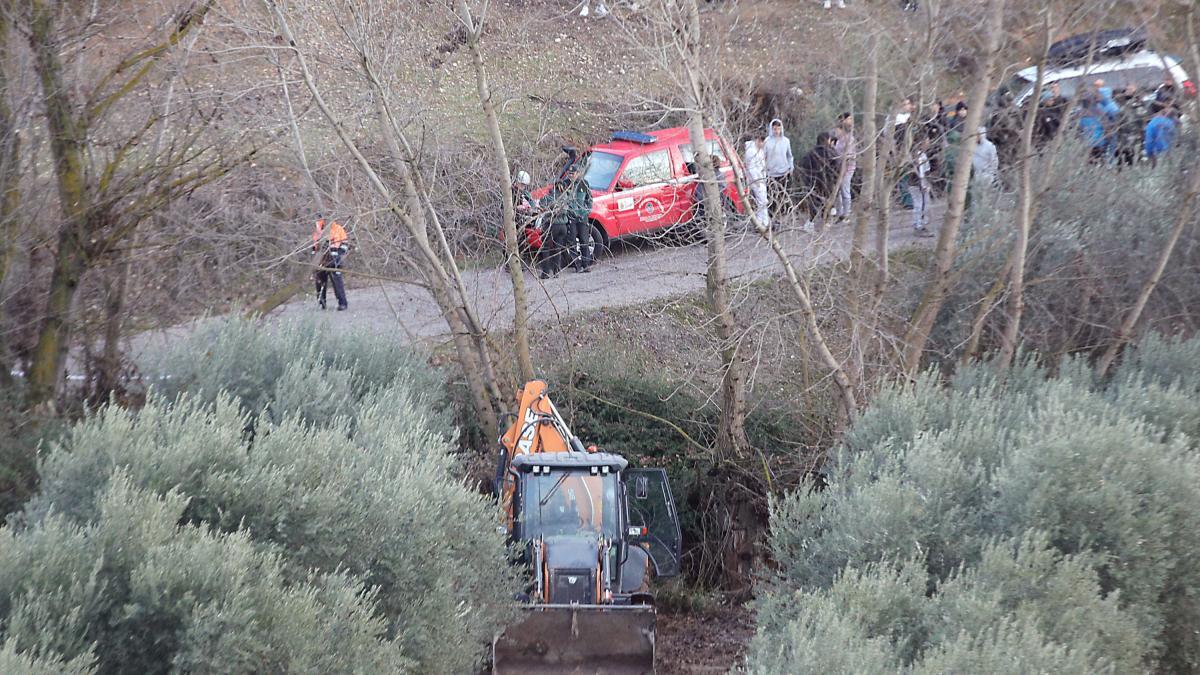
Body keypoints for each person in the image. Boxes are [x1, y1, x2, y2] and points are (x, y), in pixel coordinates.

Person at [539, 165, 594, 277]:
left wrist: (586, 211)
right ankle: (577, 265)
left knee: (584, 241)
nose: (570, 176)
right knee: (572, 242)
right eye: (569, 174)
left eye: (572, 174)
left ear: (578, 173)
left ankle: (586, 264)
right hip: (570, 218)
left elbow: (590, 200)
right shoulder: (565, 184)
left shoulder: (584, 184)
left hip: (582, 217)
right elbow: (558, 195)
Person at [798, 131, 839, 232]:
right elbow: (837, 167)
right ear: (827, 140)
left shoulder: (811, 153)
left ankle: (811, 223)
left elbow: (803, 166)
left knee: (813, 203)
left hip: (813, 182)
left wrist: (807, 179)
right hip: (827, 183)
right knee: (827, 202)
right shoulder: (831, 153)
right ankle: (825, 223)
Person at [312, 216, 349, 311]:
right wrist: (314, 258)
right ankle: (321, 303)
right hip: (321, 259)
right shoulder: (318, 230)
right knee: (320, 282)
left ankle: (342, 303)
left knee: (337, 282)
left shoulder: (338, 229)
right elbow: (315, 246)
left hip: (335, 259)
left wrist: (338, 255)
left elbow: (345, 244)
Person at [763, 118, 794, 218]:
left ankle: (782, 216)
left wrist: (790, 167)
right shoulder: (767, 141)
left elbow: (790, 156)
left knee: (783, 197)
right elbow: (763, 157)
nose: (776, 131)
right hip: (771, 174)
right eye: (774, 128)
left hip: (783, 173)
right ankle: (772, 217)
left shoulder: (786, 141)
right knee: (772, 197)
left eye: (778, 128)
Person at [833, 112, 858, 221]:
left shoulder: (849, 139)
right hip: (838, 169)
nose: (836, 132)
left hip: (847, 168)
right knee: (838, 191)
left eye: (837, 130)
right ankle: (840, 213)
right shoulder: (838, 141)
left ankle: (846, 214)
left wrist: (843, 161)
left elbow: (850, 155)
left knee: (845, 189)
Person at [742, 136, 770, 228]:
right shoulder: (751, 151)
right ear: (758, 140)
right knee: (762, 201)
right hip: (756, 181)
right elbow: (751, 168)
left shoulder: (760, 150)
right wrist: (757, 180)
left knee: (762, 201)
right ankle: (763, 222)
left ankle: (762, 221)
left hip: (761, 178)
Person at [908, 140, 933, 237]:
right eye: (926, 142)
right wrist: (920, 183)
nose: (928, 144)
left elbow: (927, 171)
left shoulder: (924, 155)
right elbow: (915, 172)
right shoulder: (914, 157)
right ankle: (917, 225)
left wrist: (927, 182)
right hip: (915, 185)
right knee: (918, 205)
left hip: (923, 183)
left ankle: (922, 224)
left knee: (926, 204)